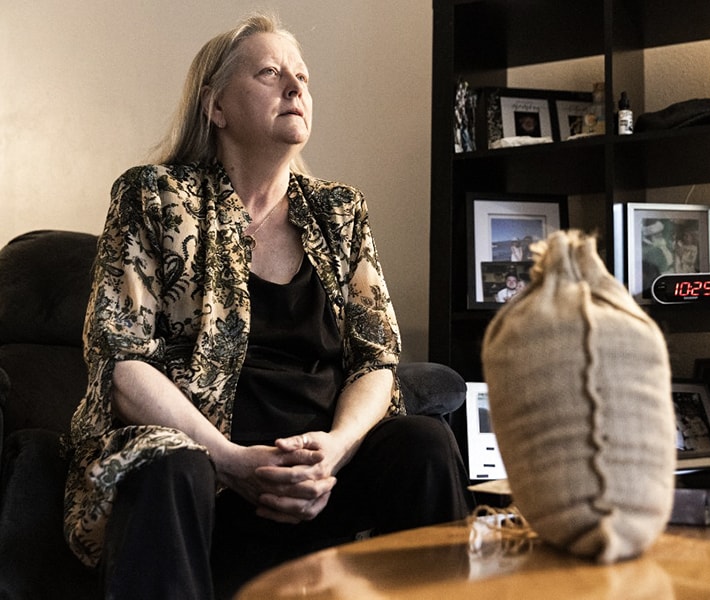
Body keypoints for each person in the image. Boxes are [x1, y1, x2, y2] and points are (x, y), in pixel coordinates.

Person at [63, 13, 471, 598]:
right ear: (217, 107)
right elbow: (120, 363)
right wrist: (231, 460)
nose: (296, 87)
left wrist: (337, 449)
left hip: (323, 478)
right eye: (270, 72)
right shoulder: (153, 197)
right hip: (207, 473)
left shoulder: (340, 212)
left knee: (424, 444)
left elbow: (376, 361)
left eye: (302, 76)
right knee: (171, 468)